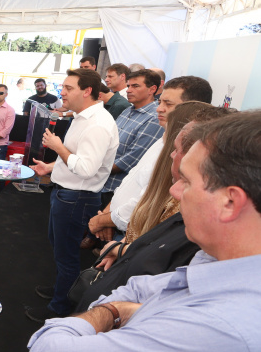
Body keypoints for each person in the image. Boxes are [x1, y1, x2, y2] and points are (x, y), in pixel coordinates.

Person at [28, 110, 261, 352]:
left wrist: (109, 312)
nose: (176, 193)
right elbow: (141, 286)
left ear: (229, 202)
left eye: (187, 182)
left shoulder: (222, 330)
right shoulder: (216, 262)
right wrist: (127, 309)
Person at [75, 106, 231, 313]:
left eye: (188, 182)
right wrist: (124, 249)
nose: (175, 191)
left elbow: (157, 275)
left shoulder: (196, 231)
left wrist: (123, 250)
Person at [27, 69, 119, 323]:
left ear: (87, 91)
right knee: (59, 250)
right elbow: (74, 157)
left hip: (77, 198)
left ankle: (60, 307)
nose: (62, 92)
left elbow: (87, 169)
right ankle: (61, 289)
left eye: (68, 88)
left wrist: (57, 147)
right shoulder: (82, 118)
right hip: (66, 194)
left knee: (67, 256)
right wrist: (51, 166)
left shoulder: (98, 124)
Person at [87, 76, 212, 240]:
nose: (159, 109)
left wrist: (103, 220)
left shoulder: (182, 153)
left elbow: (147, 201)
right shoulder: (162, 140)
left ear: (191, 109)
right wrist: (106, 216)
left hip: (134, 234)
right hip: (120, 226)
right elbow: (132, 180)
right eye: (160, 102)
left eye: (168, 104)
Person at [99, 70, 163, 207]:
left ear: (152, 89)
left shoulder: (154, 118)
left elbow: (130, 161)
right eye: (128, 86)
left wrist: (93, 169)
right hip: (101, 182)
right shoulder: (127, 110)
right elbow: (109, 142)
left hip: (115, 191)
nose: (129, 90)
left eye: (135, 86)